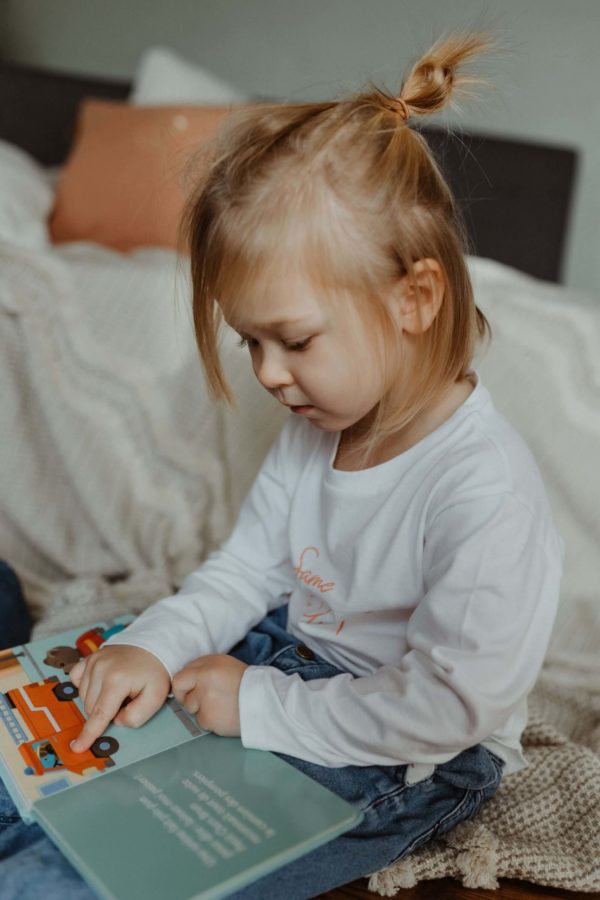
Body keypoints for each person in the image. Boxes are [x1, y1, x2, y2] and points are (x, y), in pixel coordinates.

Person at [0, 34, 563, 899]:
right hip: (286, 659)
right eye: (250, 342)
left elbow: (450, 708)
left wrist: (262, 708)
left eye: (293, 340)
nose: (267, 374)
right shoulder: (319, 424)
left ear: (414, 299)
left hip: (411, 744)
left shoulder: (481, 488)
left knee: (99, 871)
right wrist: (155, 642)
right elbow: (247, 568)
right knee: (37, 768)